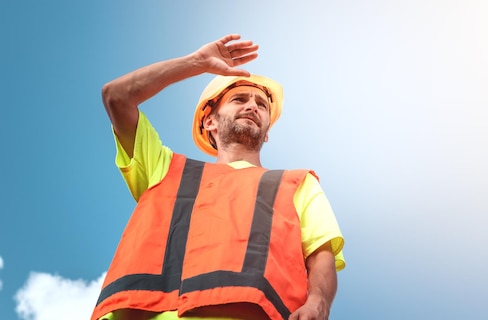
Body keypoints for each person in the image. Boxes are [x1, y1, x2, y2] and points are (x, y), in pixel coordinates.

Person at [91, 34, 345, 320]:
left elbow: (321, 255)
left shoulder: (297, 184)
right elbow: (116, 95)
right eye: (239, 99)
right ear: (209, 121)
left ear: (267, 131)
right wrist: (195, 62)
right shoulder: (164, 168)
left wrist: (318, 302)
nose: (252, 107)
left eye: (262, 105)